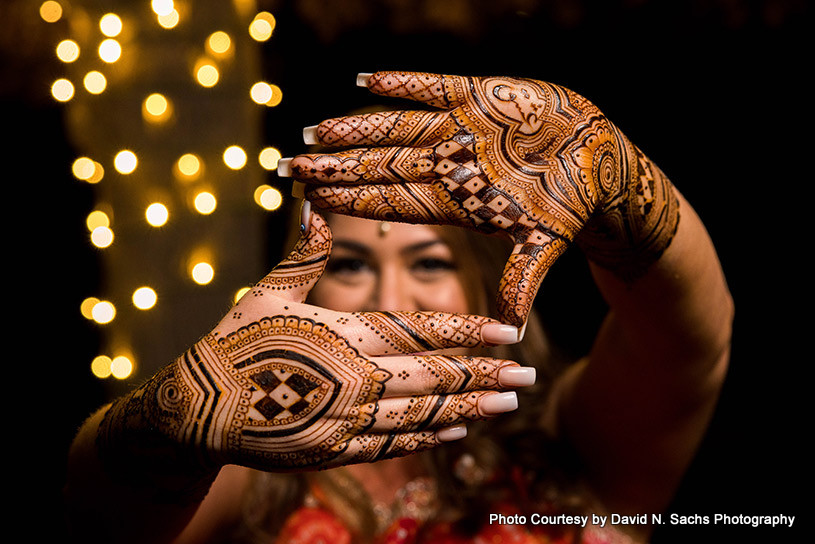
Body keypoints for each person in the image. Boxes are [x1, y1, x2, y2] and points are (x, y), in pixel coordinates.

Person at [64, 71, 734, 544]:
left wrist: (611, 178)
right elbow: (93, 522)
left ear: (488, 285)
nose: (388, 299)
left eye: (429, 264)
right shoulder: (252, 473)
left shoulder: (569, 448)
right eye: (351, 265)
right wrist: (173, 417)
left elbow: (687, 341)